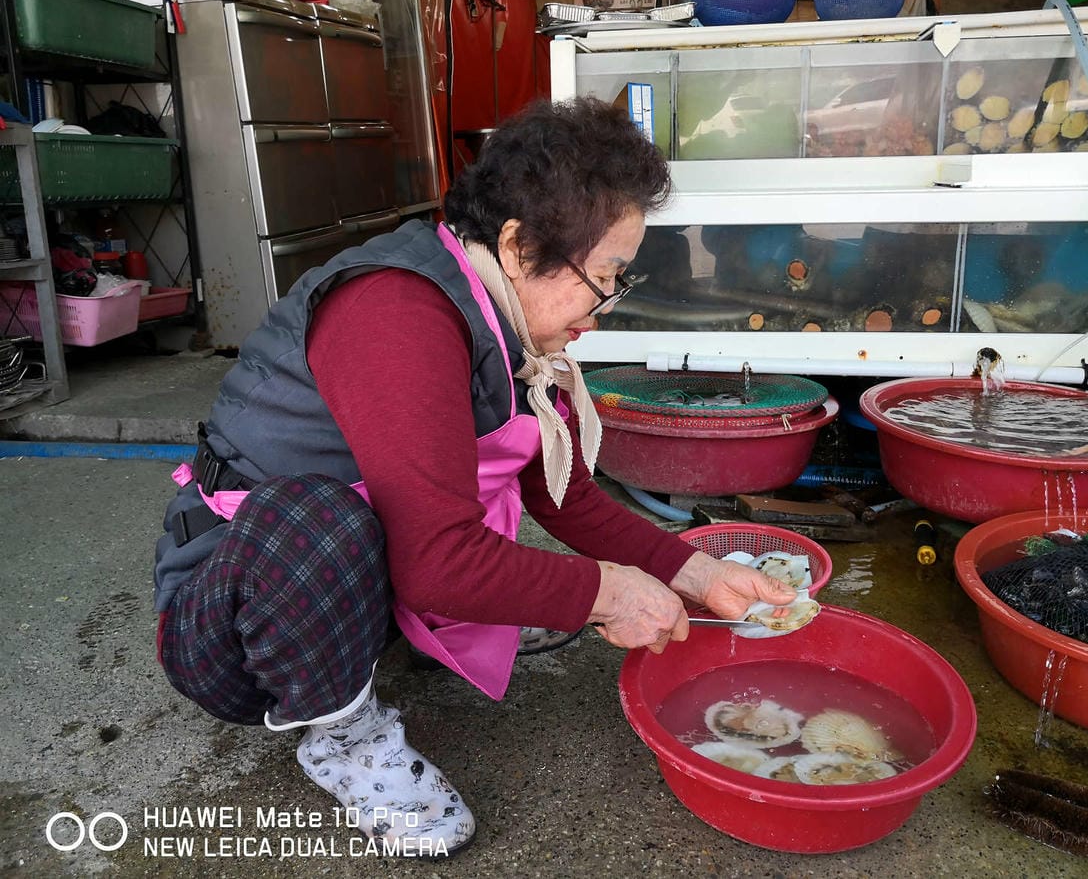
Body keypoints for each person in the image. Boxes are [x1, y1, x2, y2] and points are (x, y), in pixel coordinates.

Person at [152, 96, 797, 857]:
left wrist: (693, 571)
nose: (607, 308)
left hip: (339, 594)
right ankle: (345, 741)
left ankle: (356, 658)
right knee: (319, 524)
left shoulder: (505, 322)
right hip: (230, 626)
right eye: (604, 278)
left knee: (373, 530)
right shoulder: (396, 312)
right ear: (522, 246)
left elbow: (563, 493)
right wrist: (606, 593)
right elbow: (435, 563)